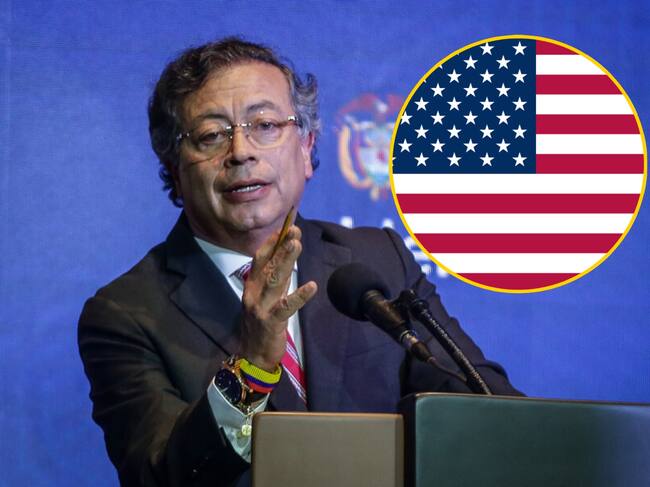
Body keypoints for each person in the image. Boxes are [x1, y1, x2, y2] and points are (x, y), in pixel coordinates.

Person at [78, 37, 520, 487]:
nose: (241, 151)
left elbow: (476, 398)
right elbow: (159, 475)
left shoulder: (377, 260)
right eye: (211, 135)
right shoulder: (127, 314)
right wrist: (251, 367)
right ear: (174, 168)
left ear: (306, 148)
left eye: (266, 124)